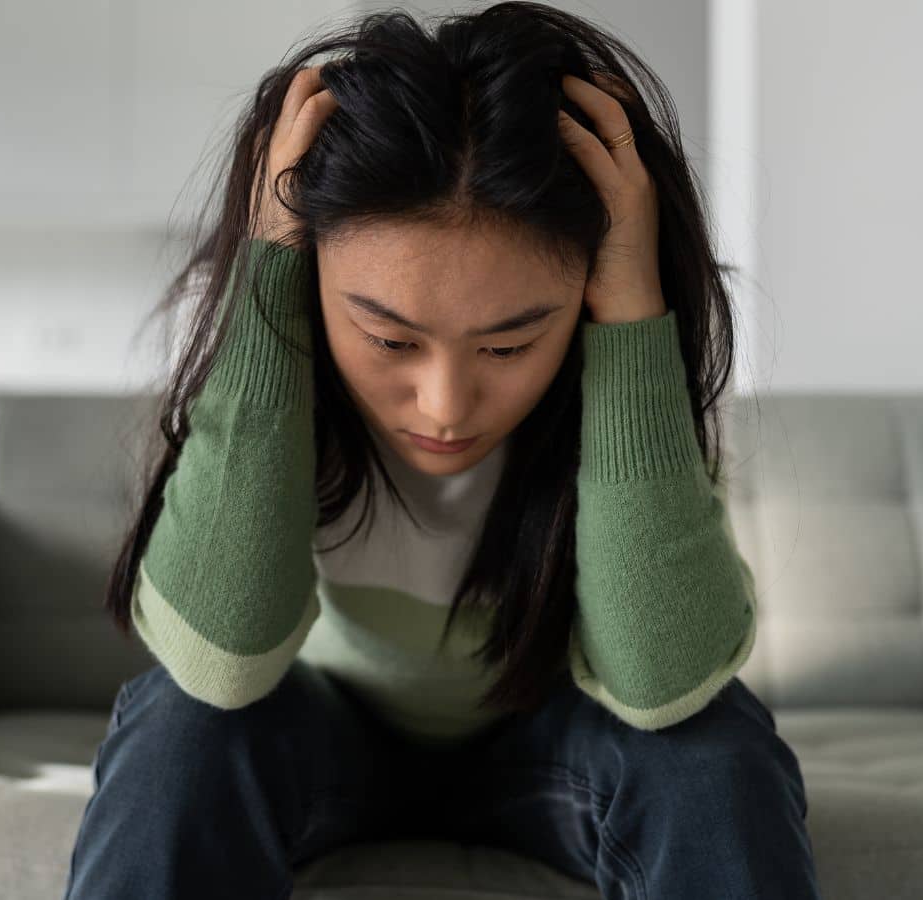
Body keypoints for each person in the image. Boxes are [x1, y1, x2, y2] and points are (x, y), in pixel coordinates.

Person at [64, 3, 821, 897]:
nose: (446, 405)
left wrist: (632, 322)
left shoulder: (624, 361)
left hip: (552, 742)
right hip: (320, 738)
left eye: (508, 346)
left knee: (709, 746)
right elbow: (219, 664)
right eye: (388, 340)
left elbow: (663, 682)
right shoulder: (267, 341)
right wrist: (267, 280)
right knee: (181, 725)